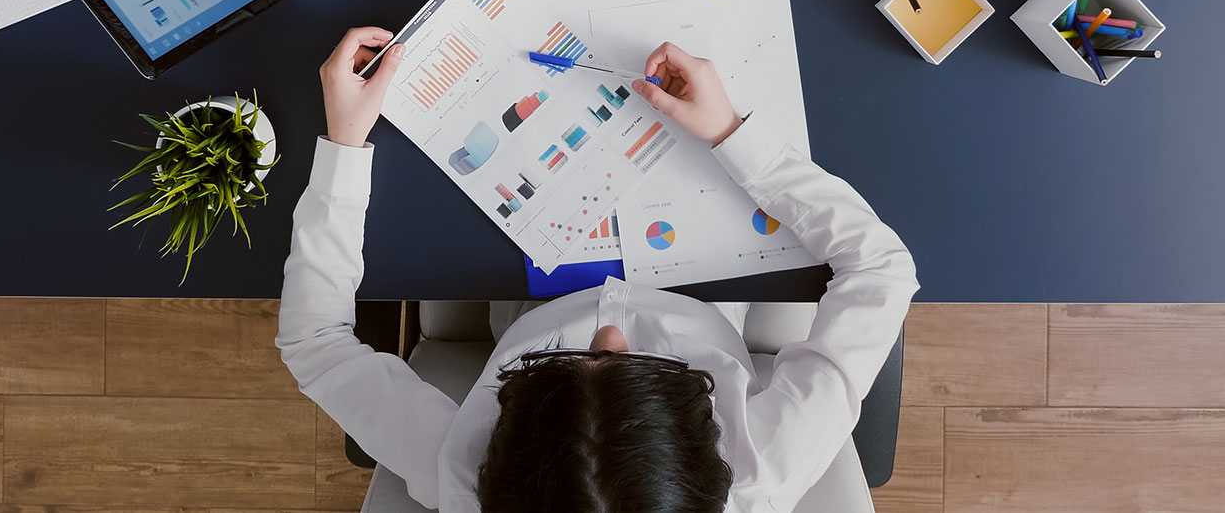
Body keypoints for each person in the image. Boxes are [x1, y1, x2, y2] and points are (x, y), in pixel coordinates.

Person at [278, 27, 918, 512]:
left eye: (565, 364)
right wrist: (729, 132)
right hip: (710, 292)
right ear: (712, 448)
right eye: (652, 371)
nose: (610, 336)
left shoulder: (467, 474)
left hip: (527, 301)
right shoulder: (766, 468)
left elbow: (313, 344)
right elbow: (881, 269)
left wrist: (344, 145)